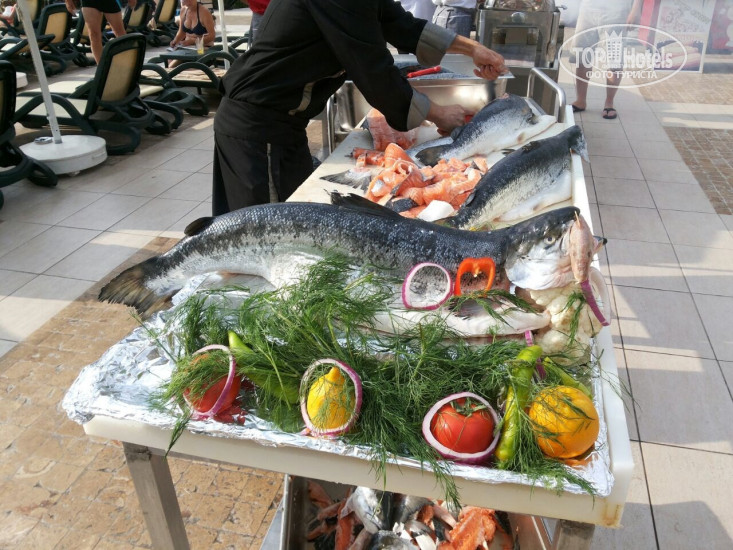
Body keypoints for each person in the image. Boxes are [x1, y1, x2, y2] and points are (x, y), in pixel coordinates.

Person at [212, 0, 505, 215]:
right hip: (258, 131)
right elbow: (374, 72)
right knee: (267, 239)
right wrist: (439, 113)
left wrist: (473, 49)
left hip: (286, 126)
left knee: (298, 222)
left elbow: (403, 25)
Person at [571, 0, 642, 119]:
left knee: (614, 59)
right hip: (588, 7)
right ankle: (580, 101)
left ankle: (609, 103)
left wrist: (636, 9)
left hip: (616, 10)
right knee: (582, 54)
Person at [65, 0, 136, 64]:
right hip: (88, 2)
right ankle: (101, 67)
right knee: (94, 35)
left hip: (108, 1)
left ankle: (128, 63)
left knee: (120, 33)